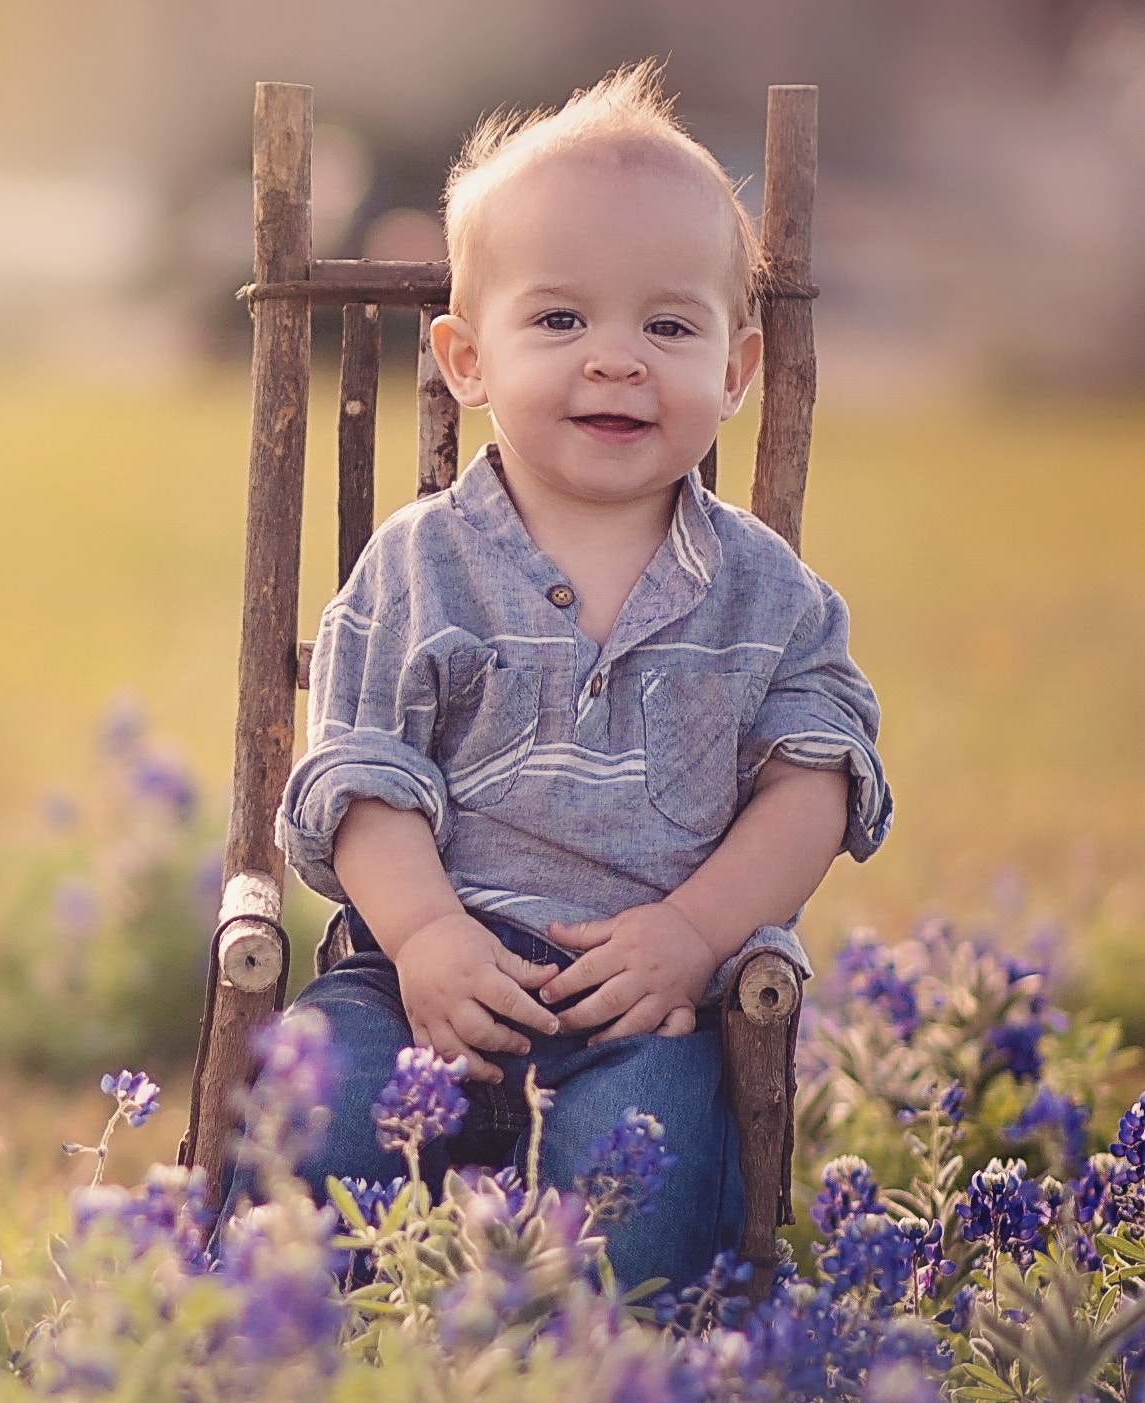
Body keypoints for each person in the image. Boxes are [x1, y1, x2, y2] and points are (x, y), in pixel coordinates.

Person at [258, 61, 892, 1289]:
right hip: (414, 971)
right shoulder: (418, 563)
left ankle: (607, 1352)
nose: (615, 361)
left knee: (639, 1200)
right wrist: (428, 933)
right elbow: (360, 777)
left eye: (667, 325)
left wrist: (694, 933)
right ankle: (278, 1338)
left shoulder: (768, 593)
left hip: (650, 998)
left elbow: (816, 781)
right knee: (314, 1122)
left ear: (736, 370)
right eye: (559, 320)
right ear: (464, 357)